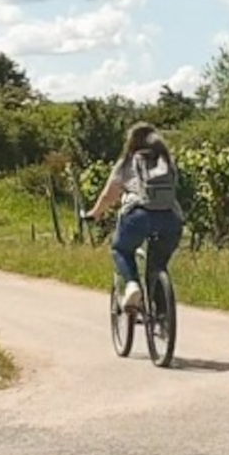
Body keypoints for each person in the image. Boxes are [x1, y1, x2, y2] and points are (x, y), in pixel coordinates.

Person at [85, 121, 184, 313]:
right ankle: (162, 315)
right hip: (170, 218)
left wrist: (94, 213)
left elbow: (108, 195)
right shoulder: (167, 162)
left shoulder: (127, 163)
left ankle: (132, 286)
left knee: (120, 249)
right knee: (157, 265)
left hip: (138, 215)